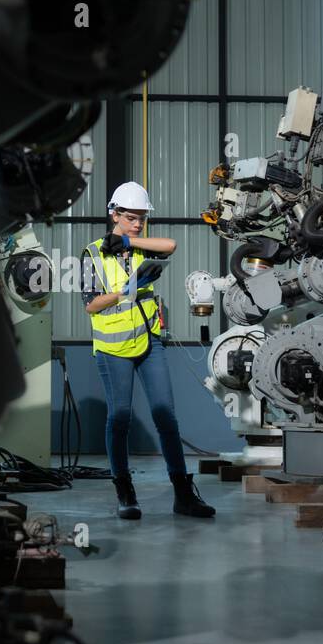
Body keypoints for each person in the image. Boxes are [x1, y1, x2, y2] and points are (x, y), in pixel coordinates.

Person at [81, 182, 215, 520]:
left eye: (141, 218)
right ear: (114, 213)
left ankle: (183, 495)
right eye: (130, 218)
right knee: (120, 417)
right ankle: (125, 492)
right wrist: (125, 290)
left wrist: (128, 240)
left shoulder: (140, 247)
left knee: (165, 417)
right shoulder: (92, 253)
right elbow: (90, 304)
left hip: (149, 341)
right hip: (113, 347)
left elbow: (170, 244)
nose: (138, 223)